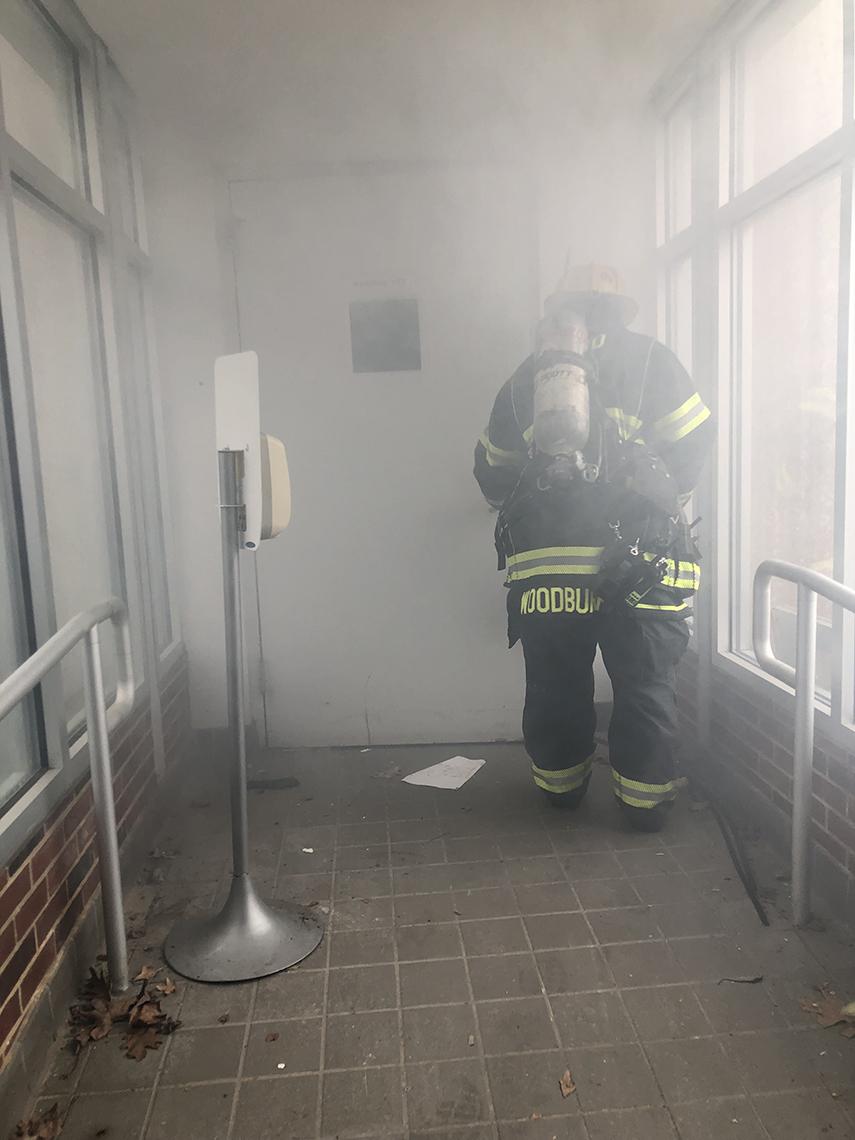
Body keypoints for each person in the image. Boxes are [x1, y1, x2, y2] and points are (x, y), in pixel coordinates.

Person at [474, 262, 712, 832]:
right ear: (619, 307)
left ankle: (561, 792)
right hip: (645, 563)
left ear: (561, 309)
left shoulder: (530, 378)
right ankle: (645, 805)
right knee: (646, 685)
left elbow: (490, 473)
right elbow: (692, 450)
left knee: (555, 684)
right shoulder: (656, 361)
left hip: (548, 569)